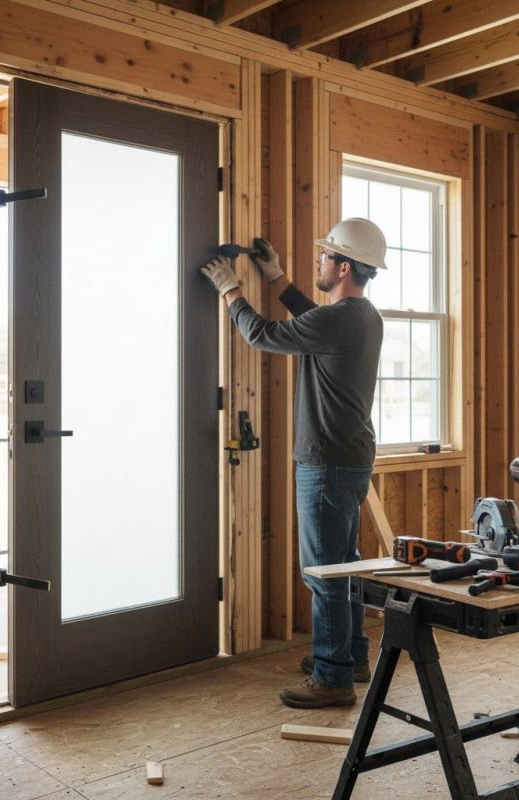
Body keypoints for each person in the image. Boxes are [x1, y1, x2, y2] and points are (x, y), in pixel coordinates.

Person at [200, 218, 387, 709]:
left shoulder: (338, 320)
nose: (319, 261)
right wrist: (277, 277)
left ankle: (332, 678)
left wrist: (230, 289)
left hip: (325, 462)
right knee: (343, 565)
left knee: (322, 572)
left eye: (325, 256)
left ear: (343, 266)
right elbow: (311, 318)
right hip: (350, 459)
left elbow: (260, 334)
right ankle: (350, 656)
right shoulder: (362, 316)